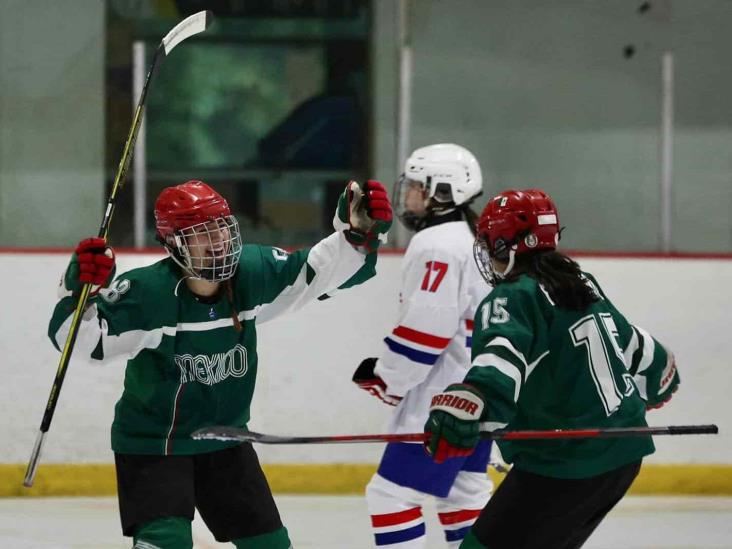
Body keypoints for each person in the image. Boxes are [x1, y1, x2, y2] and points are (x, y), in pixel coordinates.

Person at [48, 179, 392, 549]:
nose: (218, 243)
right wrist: (76, 293)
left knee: (270, 545)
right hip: (155, 444)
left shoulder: (252, 272)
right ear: (174, 243)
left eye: (222, 229)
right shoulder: (148, 294)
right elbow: (86, 343)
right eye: (202, 235)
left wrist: (357, 234)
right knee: (168, 542)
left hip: (224, 438)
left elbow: (314, 274)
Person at [422, 189, 680, 549]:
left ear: (504, 245)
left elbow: (501, 356)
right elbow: (627, 340)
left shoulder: (513, 296)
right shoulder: (580, 282)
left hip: (565, 464)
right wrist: (659, 374)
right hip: (624, 454)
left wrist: (474, 398)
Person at [352, 144, 493, 548]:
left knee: (391, 496)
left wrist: (388, 379)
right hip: (476, 394)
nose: (408, 195)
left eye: (416, 185)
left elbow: (427, 329)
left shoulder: (438, 244)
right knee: (463, 496)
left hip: (440, 402)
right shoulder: (470, 238)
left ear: (442, 191)